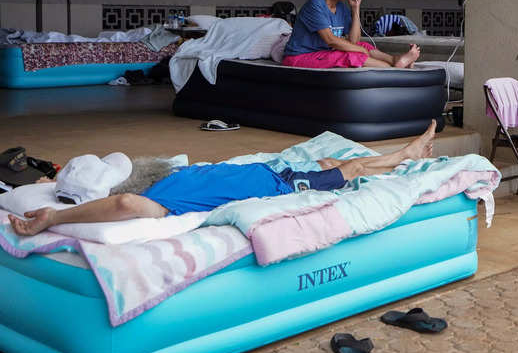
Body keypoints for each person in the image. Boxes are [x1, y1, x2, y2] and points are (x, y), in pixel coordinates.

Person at [8, 120, 437, 236]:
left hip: (275, 171)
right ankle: (408, 154)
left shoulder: (173, 174)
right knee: (352, 168)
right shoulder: (163, 199)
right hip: (283, 186)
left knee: (331, 160)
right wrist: (53, 219)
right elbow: (121, 207)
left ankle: (403, 156)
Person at [282, 0, 421, 69]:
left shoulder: (342, 6)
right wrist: (360, 51)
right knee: (350, 54)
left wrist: (355, 8)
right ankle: (392, 69)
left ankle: (394, 60)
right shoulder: (315, 5)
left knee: (362, 45)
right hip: (300, 57)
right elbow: (331, 40)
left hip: (324, 52)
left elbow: (354, 41)